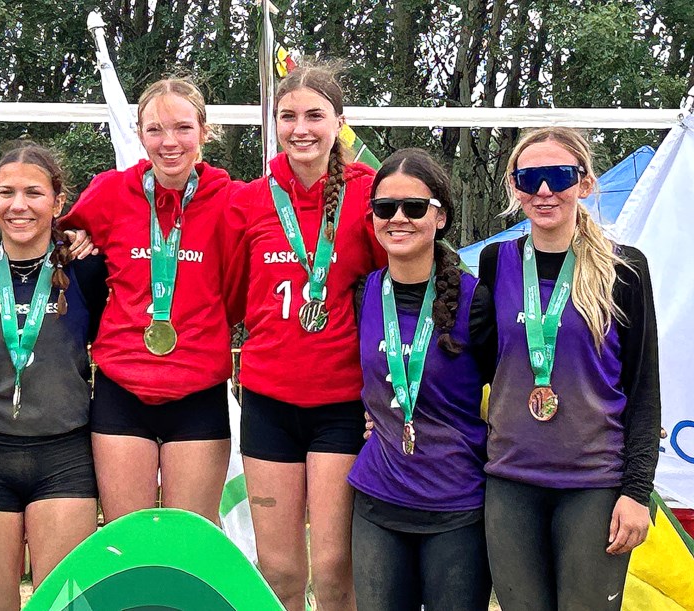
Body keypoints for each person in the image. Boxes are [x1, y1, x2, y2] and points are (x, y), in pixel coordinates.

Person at [227, 64, 387, 611]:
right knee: (278, 570)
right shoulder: (251, 199)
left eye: (315, 115)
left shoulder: (371, 195)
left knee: (335, 567)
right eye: (287, 116)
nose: (301, 128)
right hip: (269, 401)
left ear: (340, 123)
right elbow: (230, 291)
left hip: (341, 404)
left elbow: (401, 280)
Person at [480, 126, 660, 610]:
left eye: (558, 175)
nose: (543, 190)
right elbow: (472, 362)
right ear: (515, 187)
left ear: (584, 182)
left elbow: (644, 390)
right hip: (511, 480)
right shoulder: (498, 262)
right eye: (529, 177)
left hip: (594, 484)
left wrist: (636, 492)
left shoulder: (625, 268)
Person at [60, 78, 235, 525]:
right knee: (128, 540)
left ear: (204, 131)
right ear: (139, 134)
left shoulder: (229, 199)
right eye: (155, 129)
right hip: (123, 388)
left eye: (182, 128)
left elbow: (240, 285)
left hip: (198, 391)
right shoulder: (109, 191)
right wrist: (74, 236)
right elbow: (55, 240)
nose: (169, 142)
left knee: (190, 544)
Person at [0, 142, 107, 610]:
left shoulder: (89, 272)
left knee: (60, 606)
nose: (18, 205)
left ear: (58, 202)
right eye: (6, 192)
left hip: (64, 457)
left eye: (33, 193)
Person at [349, 148, 493, 610]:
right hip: (378, 500)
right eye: (385, 207)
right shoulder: (363, 292)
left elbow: (508, 396)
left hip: (456, 506)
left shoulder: (477, 302)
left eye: (414, 207)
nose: (398, 218)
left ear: (441, 217)